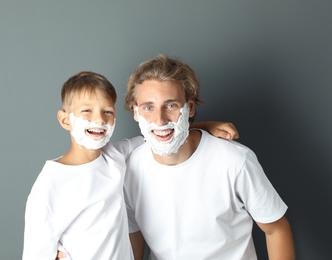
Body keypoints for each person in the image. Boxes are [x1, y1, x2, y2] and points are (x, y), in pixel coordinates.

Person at [23, 71, 239, 260]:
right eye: (87, 111)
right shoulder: (50, 185)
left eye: (107, 111)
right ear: (65, 120)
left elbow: (160, 133)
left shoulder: (116, 157)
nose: (98, 119)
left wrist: (206, 126)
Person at [123, 55, 295, 260]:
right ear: (135, 111)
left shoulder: (234, 161)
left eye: (171, 105)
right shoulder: (128, 169)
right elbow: (135, 237)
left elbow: (276, 229)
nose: (159, 119)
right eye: (148, 107)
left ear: (190, 108)